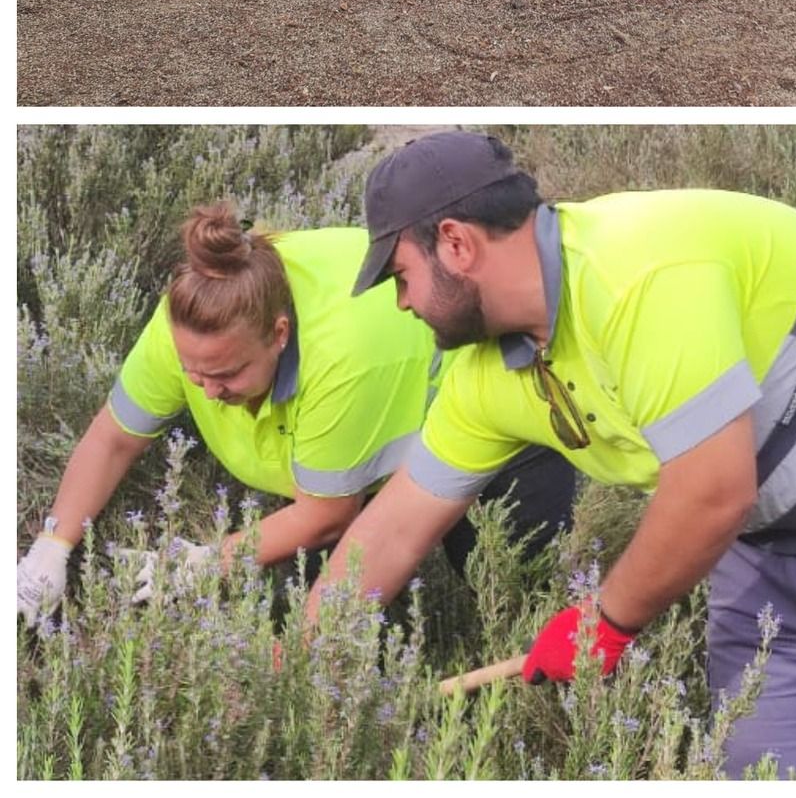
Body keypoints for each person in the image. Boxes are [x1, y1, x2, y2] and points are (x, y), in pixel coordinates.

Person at [311, 132, 796, 779]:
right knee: (762, 769)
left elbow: (711, 491)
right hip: (773, 548)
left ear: (456, 244)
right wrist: (298, 659)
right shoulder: (488, 374)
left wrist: (605, 622)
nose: (402, 303)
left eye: (400, 275)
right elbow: (398, 520)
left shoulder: (640, 268)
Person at [16, 202, 575, 620]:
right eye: (194, 374)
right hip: (360, 428)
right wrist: (53, 547)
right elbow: (111, 439)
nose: (207, 391)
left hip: (493, 421)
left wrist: (209, 559)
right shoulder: (189, 327)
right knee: (318, 612)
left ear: (279, 335)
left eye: (228, 374)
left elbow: (327, 513)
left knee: (516, 586)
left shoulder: (342, 361)